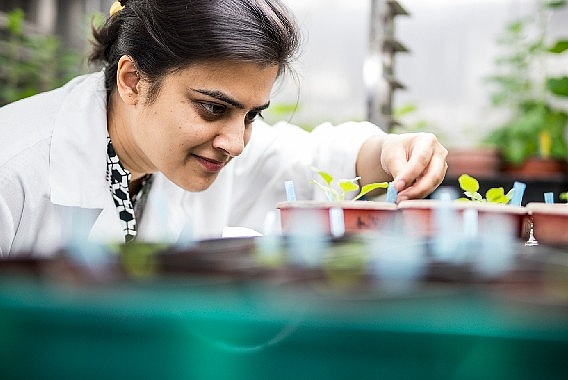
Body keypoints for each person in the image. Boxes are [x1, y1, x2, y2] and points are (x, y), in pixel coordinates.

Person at [0, 0, 448, 255]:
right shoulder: (14, 168)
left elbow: (310, 162)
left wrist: (393, 151)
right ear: (133, 80)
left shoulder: (184, 149)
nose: (235, 143)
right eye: (213, 109)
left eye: (252, 115)